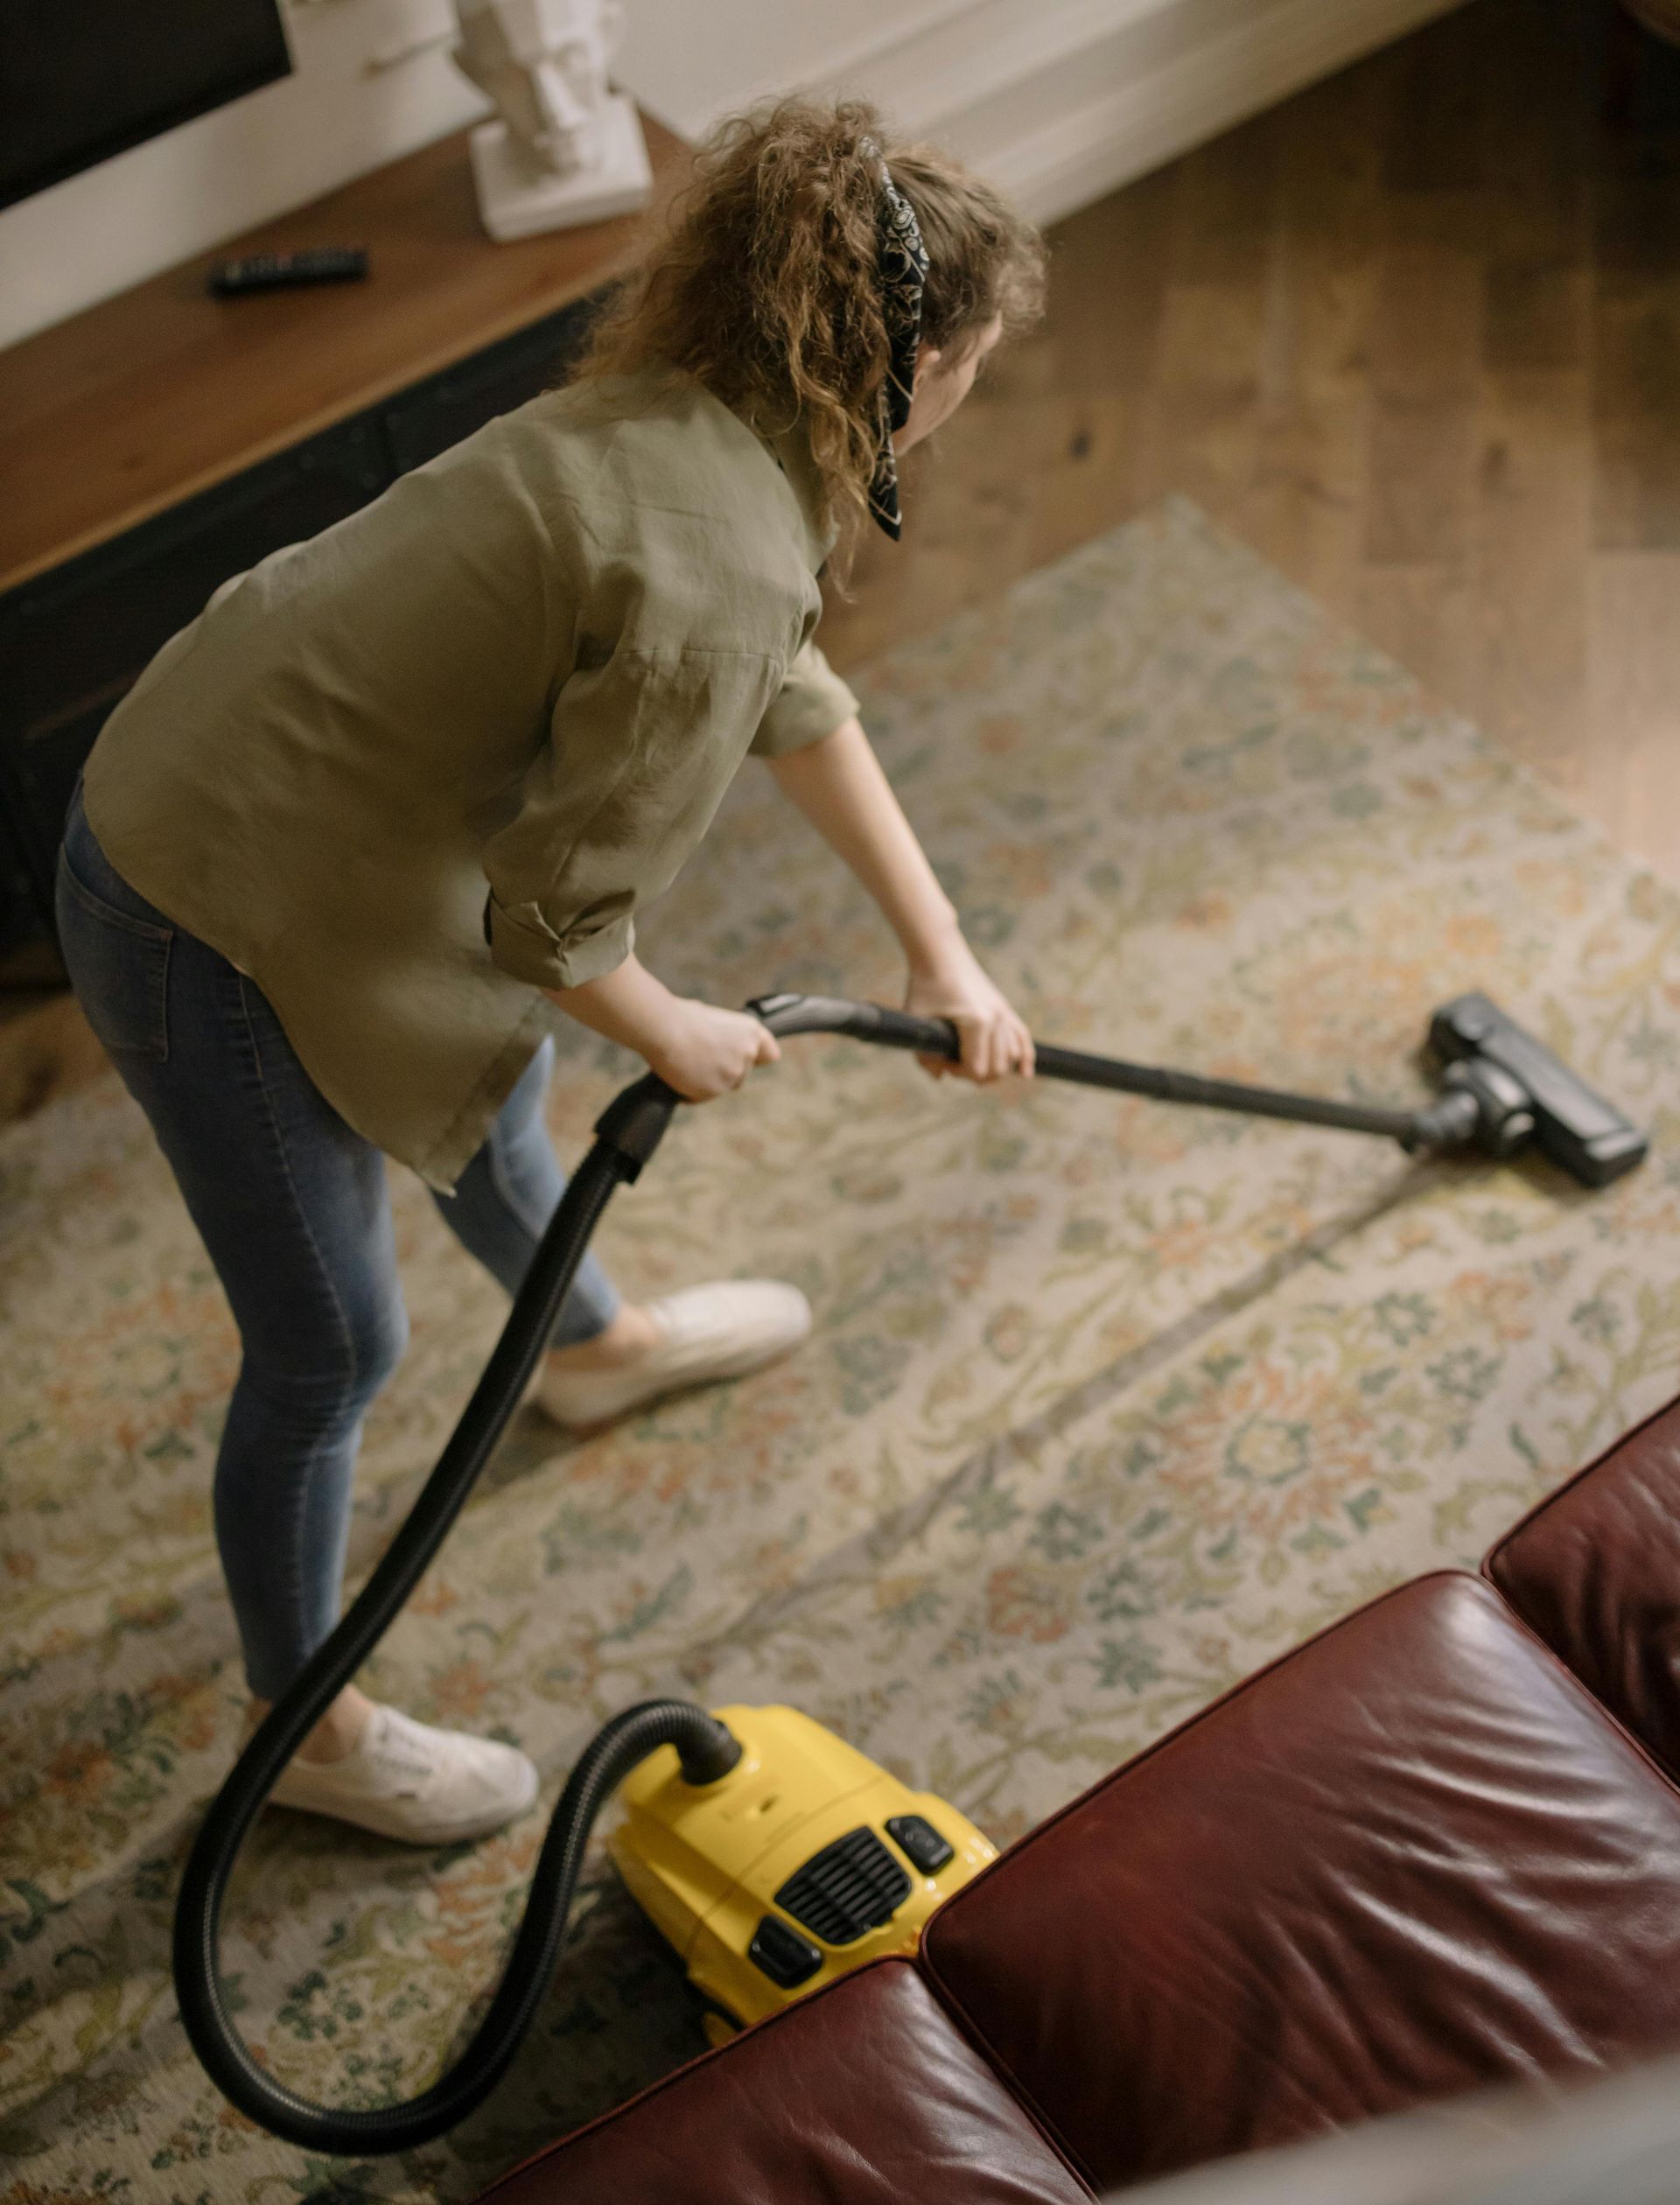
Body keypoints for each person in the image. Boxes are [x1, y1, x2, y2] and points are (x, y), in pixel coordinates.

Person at [54, 98, 1046, 1844]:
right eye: (971, 357)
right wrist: (680, 1032)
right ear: (924, 356)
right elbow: (556, 925)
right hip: (201, 896)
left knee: (502, 1100)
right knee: (327, 1345)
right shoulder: (720, 549)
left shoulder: (712, 429)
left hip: (302, 797)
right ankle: (310, 1718)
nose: (970, 387)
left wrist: (939, 944)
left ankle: (584, 1347)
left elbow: (794, 700)